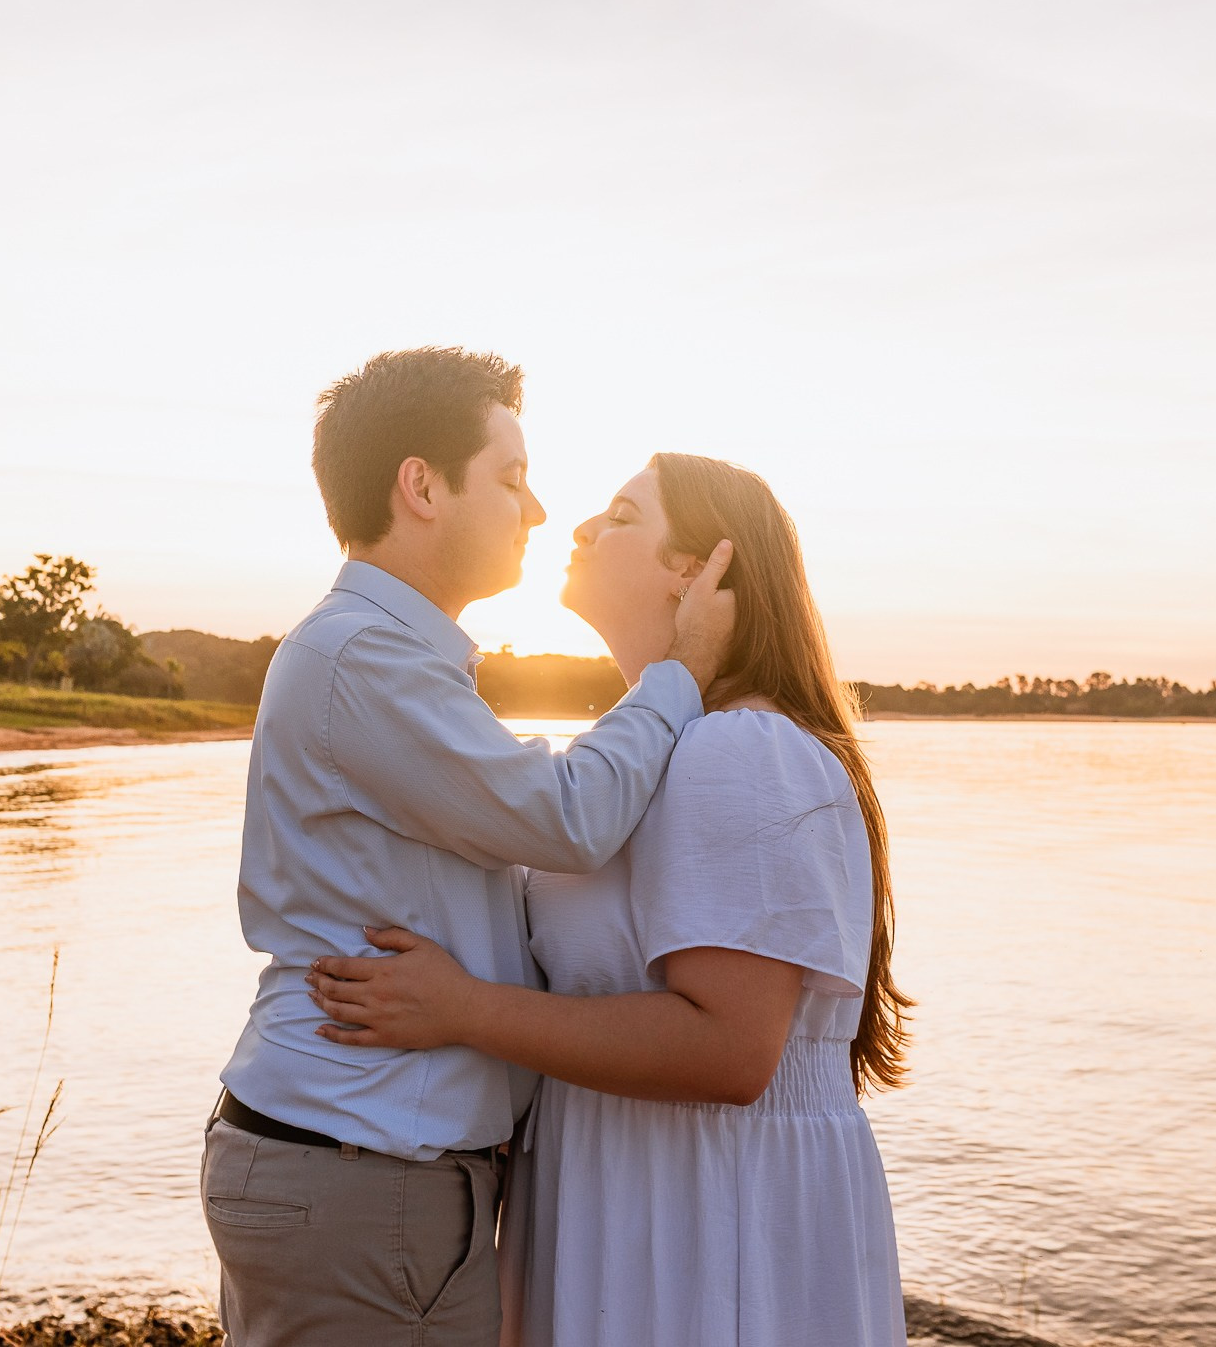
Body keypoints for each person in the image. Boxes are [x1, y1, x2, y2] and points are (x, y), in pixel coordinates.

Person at [307, 452, 913, 1347]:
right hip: (635, 1194)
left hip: (700, 1218)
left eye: (621, 514)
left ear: (698, 569)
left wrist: (466, 1010)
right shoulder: (658, 747)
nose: (582, 527)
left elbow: (732, 1050)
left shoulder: (739, 751)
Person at [203, 349, 737, 1347]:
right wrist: (676, 671)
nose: (534, 510)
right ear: (420, 487)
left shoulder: (385, 656)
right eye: (509, 477)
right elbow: (565, 816)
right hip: (359, 1171)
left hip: (349, 1163)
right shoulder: (361, 657)